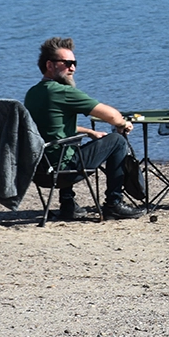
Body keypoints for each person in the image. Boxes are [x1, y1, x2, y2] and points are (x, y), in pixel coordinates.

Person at [24, 37, 145, 220]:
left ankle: (68, 204)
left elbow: (51, 128)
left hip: (38, 169)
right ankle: (114, 203)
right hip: (61, 172)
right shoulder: (62, 91)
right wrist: (122, 124)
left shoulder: (33, 93)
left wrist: (89, 132)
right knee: (117, 141)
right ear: (50, 65)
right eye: (67, 63)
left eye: (74, 63)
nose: (73, 68)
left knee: (68, 145)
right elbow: (111, 115)